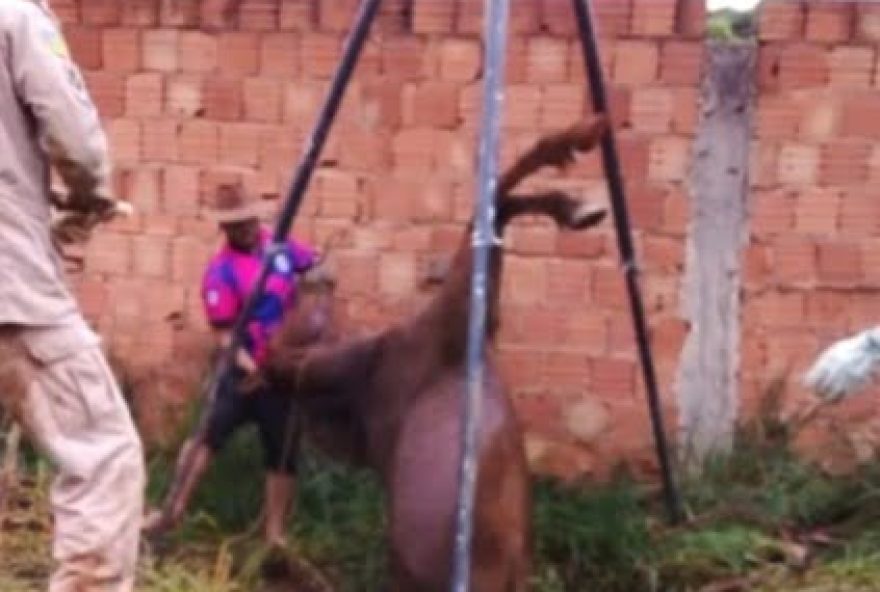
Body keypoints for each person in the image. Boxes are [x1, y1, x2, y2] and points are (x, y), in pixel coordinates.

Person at [0, 1, 145, 590]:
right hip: (11, 288)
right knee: (101, 454)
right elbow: (77, 144)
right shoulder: (14, 17)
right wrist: (88, 200)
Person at [144, 183, 318, 546]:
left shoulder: (280, 247)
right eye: (236, 225)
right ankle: (172, 512)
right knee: (207, 437)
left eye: (249, 221)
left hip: (280, 373)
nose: (247, 229)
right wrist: (250, 366)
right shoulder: (220, 273)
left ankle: (275, 536)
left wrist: (310, 309)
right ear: (225, 229)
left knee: (282, 452)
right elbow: (225, 335)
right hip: (242, 374)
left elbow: (315, 267)